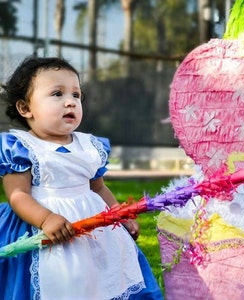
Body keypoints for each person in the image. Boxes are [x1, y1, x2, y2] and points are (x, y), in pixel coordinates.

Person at [0, 56, 163, 300]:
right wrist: (46, 219)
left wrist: (119, 215)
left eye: (76, 95)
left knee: (105, 275)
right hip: (44, 226)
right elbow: (17, 195)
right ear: (26, 108)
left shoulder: (89, 145)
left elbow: (98, 188)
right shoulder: (21, 147)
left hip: (95, 227)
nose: (70, 103)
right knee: (63, 280)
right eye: (57, 94)